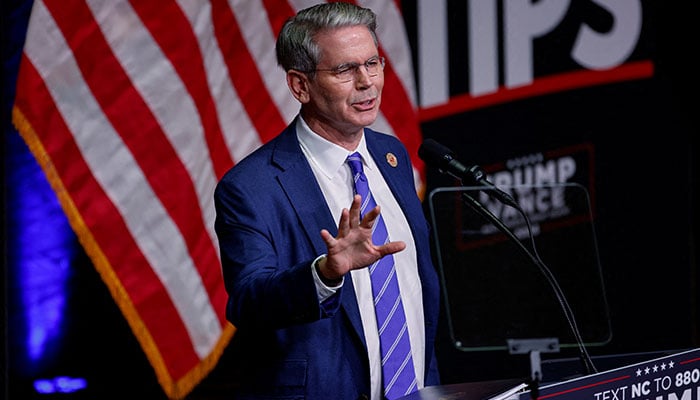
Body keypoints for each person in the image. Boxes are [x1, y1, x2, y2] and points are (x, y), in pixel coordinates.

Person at [213, 3, 441, 399]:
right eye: (344, 70)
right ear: (300, 86)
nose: (367, 81)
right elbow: (248, 302)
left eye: (373, 63)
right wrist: (325, 273)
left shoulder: (392, 155)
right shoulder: (251, 186)